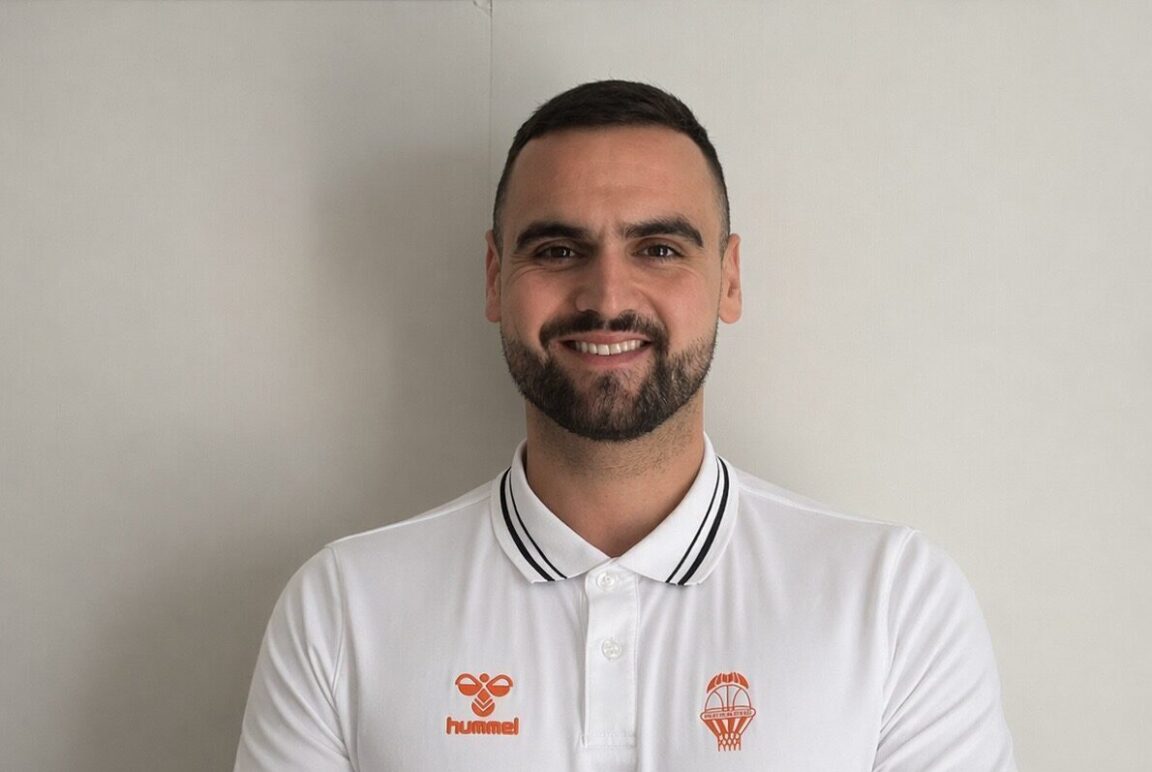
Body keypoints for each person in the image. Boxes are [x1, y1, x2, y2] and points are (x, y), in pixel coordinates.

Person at [234, 80, 1016, 771]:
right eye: (558, 249)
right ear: (495, 278)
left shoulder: (893, 602)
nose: (607, 295)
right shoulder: (343, 610)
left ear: (729, 278)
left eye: (659, 248)